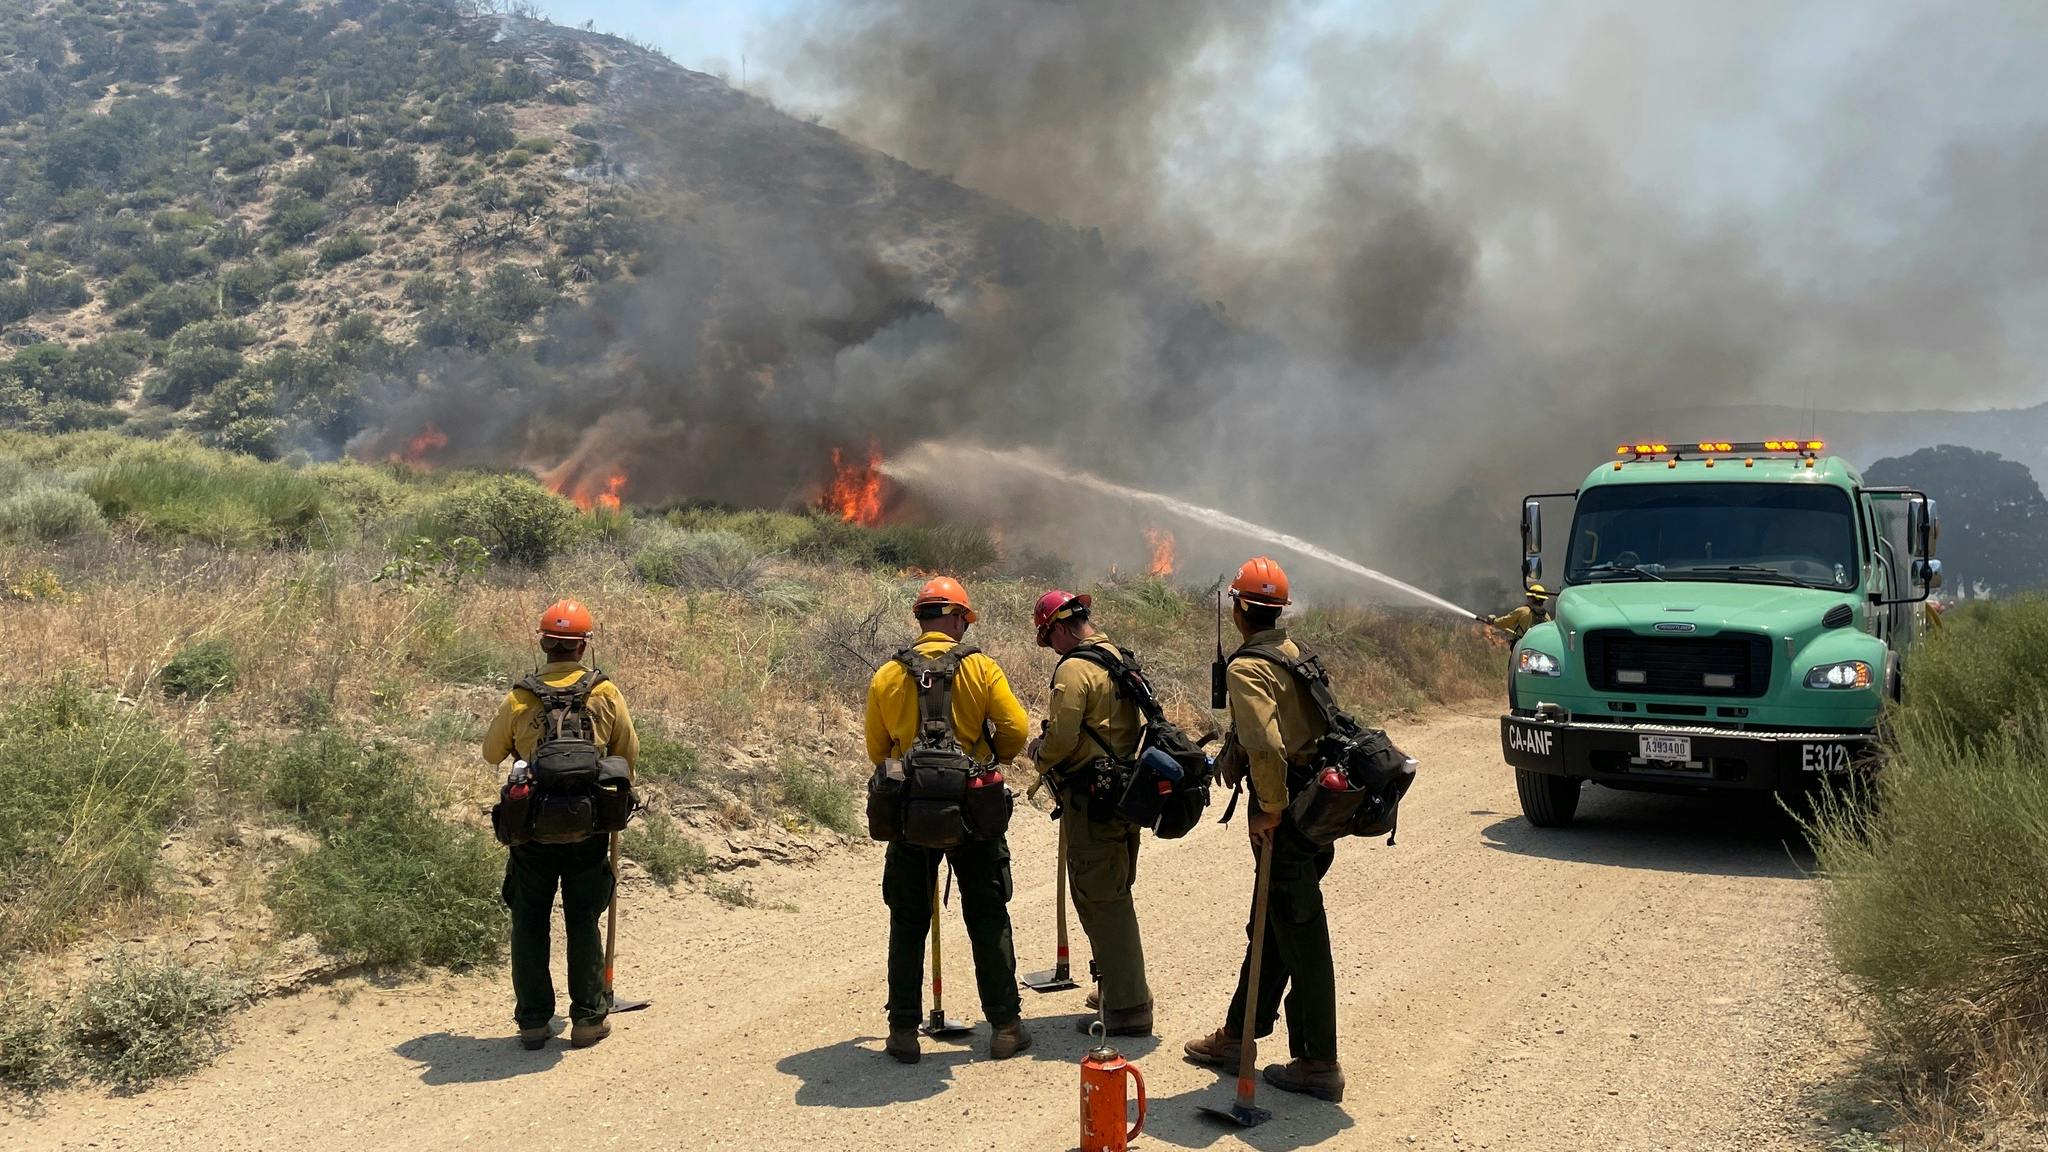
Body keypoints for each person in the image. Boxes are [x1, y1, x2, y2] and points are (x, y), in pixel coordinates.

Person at [1184, 556, 1347, 1102]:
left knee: (1300, 932)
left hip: (1290, 815)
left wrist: (1269, 808)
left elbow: (1267, 744)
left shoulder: (1247, 668)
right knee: (1274, 921)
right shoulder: (1295, 654)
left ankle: (1318, 1061)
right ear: (1278, 610)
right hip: (1317, 810)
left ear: (1238, 608)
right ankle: (1239, 1034)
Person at [866, 576, 1034, 1063]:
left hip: (909, 816)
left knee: (907, 920)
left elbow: (877, 751)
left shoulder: (887, 675)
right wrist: (986, 757)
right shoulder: (981, 668)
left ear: (921, 619)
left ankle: (902, 1032)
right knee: (987, 914)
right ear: (959, 618)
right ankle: (1005, 1026)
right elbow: (1016, 730)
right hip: (974, 814)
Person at [482, 599, 640, 1051]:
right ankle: (589, 1017)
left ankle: (533, 1022)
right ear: (583, 646)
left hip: (530, 827)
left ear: (544, 644)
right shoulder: (605, 693)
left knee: (529, 918)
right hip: (589, 826)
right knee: (583, 917)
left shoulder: (521, 696)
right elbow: (627, 757)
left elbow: (493, 753)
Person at [1028, 589, 1154, 1036]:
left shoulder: (1076, 669)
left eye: (1049, 640)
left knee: (1102, 899)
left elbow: (1060, 738)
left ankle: (1128, 1008)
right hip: (1126, 795)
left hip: (1092, 801)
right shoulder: (1119, 657)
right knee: (1115, 890)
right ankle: (1116, 987)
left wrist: (1037, 755)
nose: (1051, 650)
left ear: (1059, 628)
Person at [1481, 584, 1550, 638]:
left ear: (1531, 598)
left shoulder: (1523, 611)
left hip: (1523, 645)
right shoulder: (1546, 616)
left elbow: (1505, 621)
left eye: (1528, 597)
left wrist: (1493, 621)